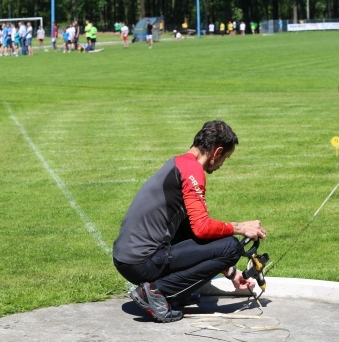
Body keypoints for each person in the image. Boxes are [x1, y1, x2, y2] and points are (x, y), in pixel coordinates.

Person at [113, 120, 267, 323]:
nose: (222, 165)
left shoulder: (179, 163)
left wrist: (231, 273)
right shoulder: (192, 170)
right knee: (231, 247)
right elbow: (202, 228)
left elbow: (192, 232)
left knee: (197, 233)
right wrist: (240, 228)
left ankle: (174, 292)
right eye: (225, 158)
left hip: (128, 259)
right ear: (216, 152)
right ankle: (156, 292)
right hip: (142, 262)